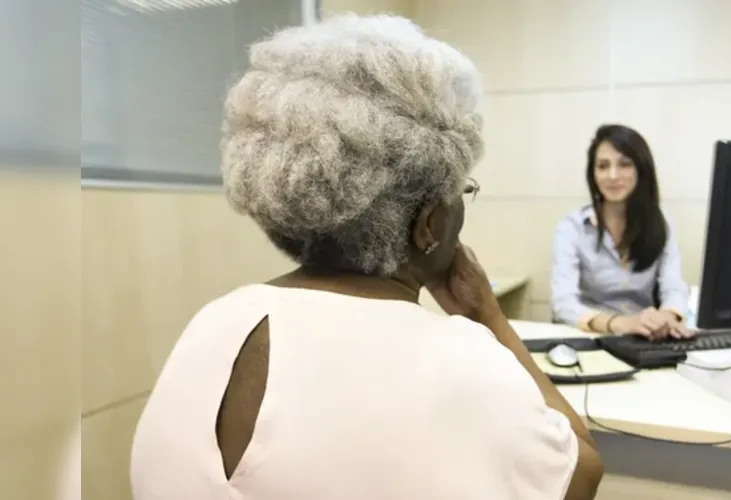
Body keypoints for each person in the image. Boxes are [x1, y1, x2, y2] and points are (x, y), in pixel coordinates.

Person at [130, 14, 603, 500]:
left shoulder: (213, 324)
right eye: (462, 191)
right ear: (429, 224)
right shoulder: (466, 361)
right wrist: (489, 316)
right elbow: (582, 473)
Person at [551, 124, 692, 339]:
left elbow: (673, 287)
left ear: (641, 169)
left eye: (625, 164)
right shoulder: (572, 227)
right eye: (603, 166)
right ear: (593, 173)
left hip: (646, 337)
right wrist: (619, 323)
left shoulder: (660, 222)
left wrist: (668, 316)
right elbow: (563, 302)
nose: (613, 175)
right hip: (593, 336)